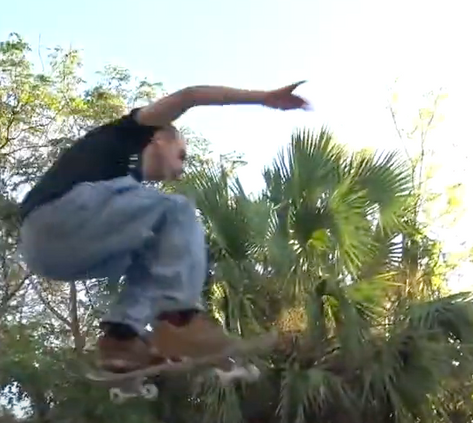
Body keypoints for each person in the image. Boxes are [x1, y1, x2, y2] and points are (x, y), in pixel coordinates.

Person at [18, 82, 310, 374]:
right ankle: (178, 321)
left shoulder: (126, 205)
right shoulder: (134, 132)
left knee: (151, 254)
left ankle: (122, 337)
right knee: (178, 209)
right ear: (160, 139)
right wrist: (263, 97)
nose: (181, 169)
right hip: (55, 214)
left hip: (47, 255)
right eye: (181, 155)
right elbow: (190, 96)